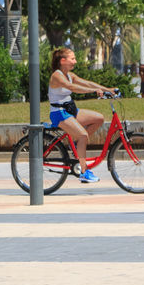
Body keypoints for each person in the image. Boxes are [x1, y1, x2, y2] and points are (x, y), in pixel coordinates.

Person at [50, 47, 115, 183]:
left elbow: (86, 82)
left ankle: (76, 144)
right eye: (72, 58)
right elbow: (73, 88)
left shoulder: (69, 74)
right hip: (59, 113)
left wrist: (106, 89)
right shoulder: (57, 75)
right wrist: (94, 91)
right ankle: (84, 172)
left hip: (71, 110)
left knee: (99, 119)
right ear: (63, 61)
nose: (75, 61)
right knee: (83, 135)